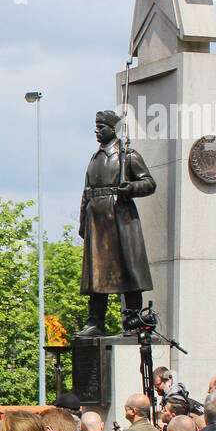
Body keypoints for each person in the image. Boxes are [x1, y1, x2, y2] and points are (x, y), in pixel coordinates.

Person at [75, 109, 157, 337]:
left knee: (128, 271)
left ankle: (133, 320)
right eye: (96, 127)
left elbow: (149, 183)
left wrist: (132, 187)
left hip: (120, 218)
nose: (97, 131)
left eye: (101, 127)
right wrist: (83, 222)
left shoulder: (127, 155)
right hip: (97, 221)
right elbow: (86, 192)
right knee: (97, 274)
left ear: (113, 129)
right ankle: (95, 322)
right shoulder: (94, 158)